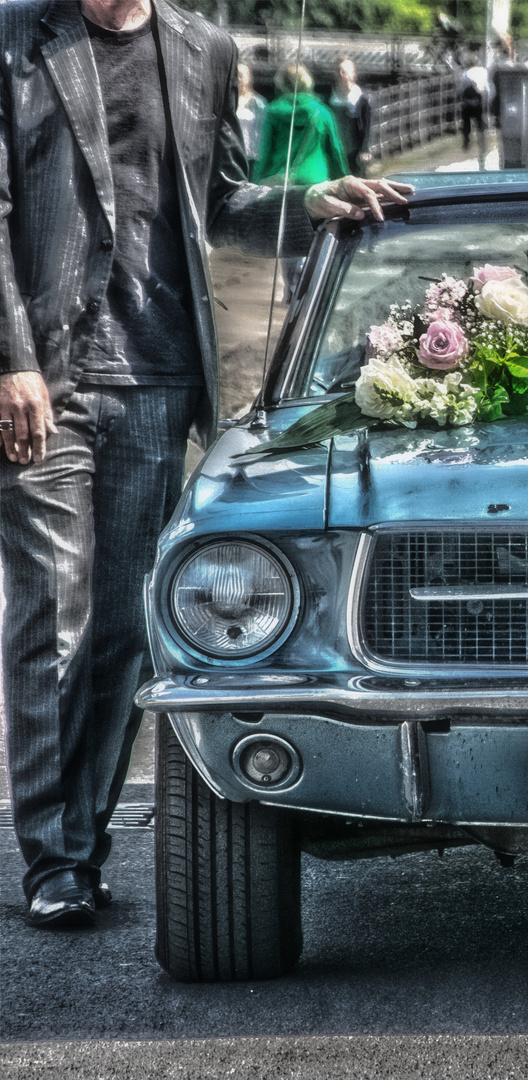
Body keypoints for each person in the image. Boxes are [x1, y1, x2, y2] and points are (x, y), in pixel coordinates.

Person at [0, 0, 410, 930]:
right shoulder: (13, 37)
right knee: (52, 617)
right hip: (44, 382)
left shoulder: (201, 48)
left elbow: (222, 203)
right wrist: (10, 360)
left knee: (123, 631)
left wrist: (309, 202)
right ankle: (55, 859)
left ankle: (86, 839)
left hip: (158, 374)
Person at [254, 64, 350, 299]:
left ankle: (292, 288)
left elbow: (265, 150)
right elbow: (335, 150)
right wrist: (345, 179)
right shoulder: (321, 111)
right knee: (317, 231)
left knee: (288, 234)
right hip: (315, 179)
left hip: (284, 181)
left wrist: (255, 183)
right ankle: (312, 285)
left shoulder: (273, 111)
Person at [328, 56, 373, 176]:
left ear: (354, 74)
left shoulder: (362, 99)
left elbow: (367, 126)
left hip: (354, 150)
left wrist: (365, 149)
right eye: (339, 71)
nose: (342, 74)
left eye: (345, 71)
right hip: (333, 150)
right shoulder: (329, 97)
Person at [235, 61, 266, 171]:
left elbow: (263, 128)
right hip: (233, 154)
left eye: (241, 75)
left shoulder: (258, 103)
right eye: (235, 75)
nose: (238, 79)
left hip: (252, 155)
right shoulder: (227, 102)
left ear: (249, 78)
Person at [460, 59, 489, 153]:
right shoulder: (483, 72)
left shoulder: (465, 73)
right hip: (479, 101)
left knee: (466, 124)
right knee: (480, 123)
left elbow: (460, 88)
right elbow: (487, 87)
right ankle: (483, 145)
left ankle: (466, 144)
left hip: (467, 102)